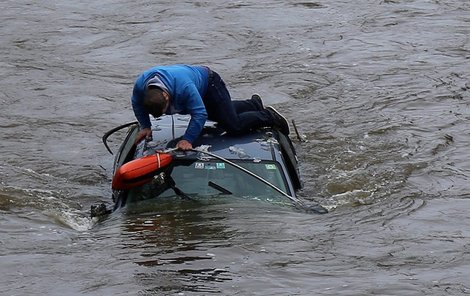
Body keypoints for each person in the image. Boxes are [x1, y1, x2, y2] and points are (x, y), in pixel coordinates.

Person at [131, 64, 289, 150]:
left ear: (166, 96)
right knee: (219, 115)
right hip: (193, 85)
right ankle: (253, 105)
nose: (166, 114)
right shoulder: (141, 86)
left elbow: (200, 114)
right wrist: (145, 126)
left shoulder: (183, 87)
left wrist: (187, 139)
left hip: (210, 84)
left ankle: (268, 116)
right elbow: (136, 103)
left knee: (234, 126)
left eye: (166, 110)